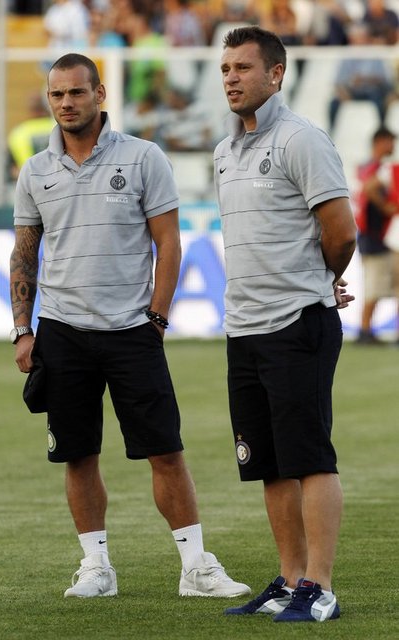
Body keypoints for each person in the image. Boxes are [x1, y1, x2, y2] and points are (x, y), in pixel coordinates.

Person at [9, 52, 251, 600]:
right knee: (77, 454)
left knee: (165, 449)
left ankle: (196, 567)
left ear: (100, 94)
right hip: (62, 331)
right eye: (57, 94)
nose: (66, 103)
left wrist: (156, 318)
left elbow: (169, 244)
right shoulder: (36, 170)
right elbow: (24, 255)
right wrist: (23, 329)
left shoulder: (143, 157)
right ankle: (96, 567)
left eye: (77, 92)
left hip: (131, 330)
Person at [213, 26, 357, 623]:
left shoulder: (302, 139)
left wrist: (319, 280)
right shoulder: (224, 151)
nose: (231, 78)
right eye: (226, 69)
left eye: (243, 68)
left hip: (296, 323)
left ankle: (320, 587)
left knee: (310, 457)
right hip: (243, 326)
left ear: (276, 74)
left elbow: (341, 232)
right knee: (268, 462)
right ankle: (291, 578)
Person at [355, 126, 399, 344]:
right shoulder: (374, 168)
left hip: (377, 236)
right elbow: (368, 190)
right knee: (374, 286)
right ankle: (365, 331)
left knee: (378, 286)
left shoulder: (372, 167)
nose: (393, 146)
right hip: (373, 236)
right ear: (380, 142)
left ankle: (366, 330)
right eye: (390, 141)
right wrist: (385, 207)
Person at [327, 23, 396, 135]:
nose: (359, 41)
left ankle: (382, 130)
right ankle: (331, 131)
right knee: (333, 103)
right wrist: (343, 93)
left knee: (379, 99)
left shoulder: (375, 53)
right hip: (352, 92)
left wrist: (366, 79)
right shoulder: (346, 55)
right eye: (356, 38)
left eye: (362, 37)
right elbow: (338, 82)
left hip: (372, 91)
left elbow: (384, 79)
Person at [7, 92, 55, 179]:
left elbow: (13, 169)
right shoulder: (57, 127)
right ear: (46, 107)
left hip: (30, 181)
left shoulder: (18, 133)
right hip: (59, 179)